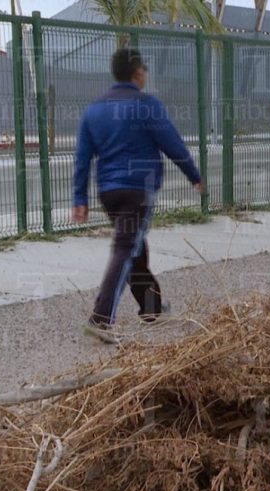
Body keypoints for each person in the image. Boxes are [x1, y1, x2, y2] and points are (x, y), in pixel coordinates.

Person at [73, 48, 204, 343]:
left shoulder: (94, 109)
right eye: (144, 69)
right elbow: (172, 143)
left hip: (109, 192)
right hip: (137, 190)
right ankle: (101, 318)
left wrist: (79, 198)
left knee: (133, 249)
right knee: (126, 248)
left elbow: (82, 158)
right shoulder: (147, 105)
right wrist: (194, 175)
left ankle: (151, 307)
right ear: (138, 73)